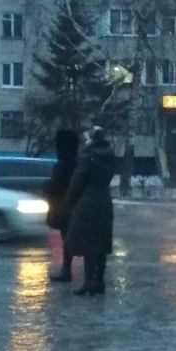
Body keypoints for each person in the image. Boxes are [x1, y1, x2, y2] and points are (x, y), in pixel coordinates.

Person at [64, 126, 116, 296]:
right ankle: (99, 281)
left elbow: (77, 182)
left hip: (87, 203)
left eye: (86, 138)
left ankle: (88, 282)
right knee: (101, 243)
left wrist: (68, 203)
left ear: (92, 139)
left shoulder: (87, 157)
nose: (85, 141)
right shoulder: (109, 155)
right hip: (105, 201)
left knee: (88, 244)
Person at [43, 129, 79, 282]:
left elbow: (57, 186)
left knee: (67, 238)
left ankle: (66, 270)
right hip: (74, 206)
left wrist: (46, 186)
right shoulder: (78, 162)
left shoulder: (62, 165)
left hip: (64, 207)